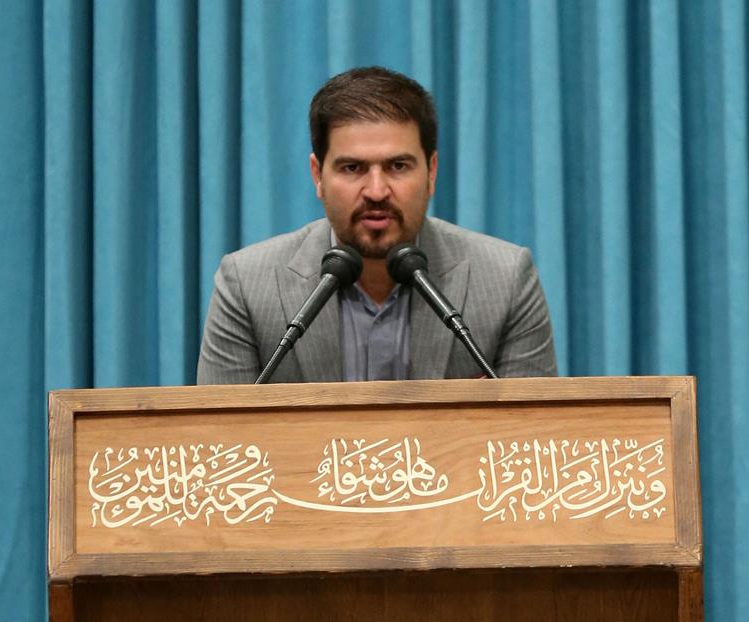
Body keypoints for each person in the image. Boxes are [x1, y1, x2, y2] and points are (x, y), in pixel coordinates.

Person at [197, 66, 556, 385]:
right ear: (317, 175)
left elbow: (531, 433)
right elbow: (222, 436)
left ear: (431, 172)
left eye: (398, 166)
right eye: (352, 168)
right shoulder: (246, 286)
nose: (376, 191)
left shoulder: (507, 280)